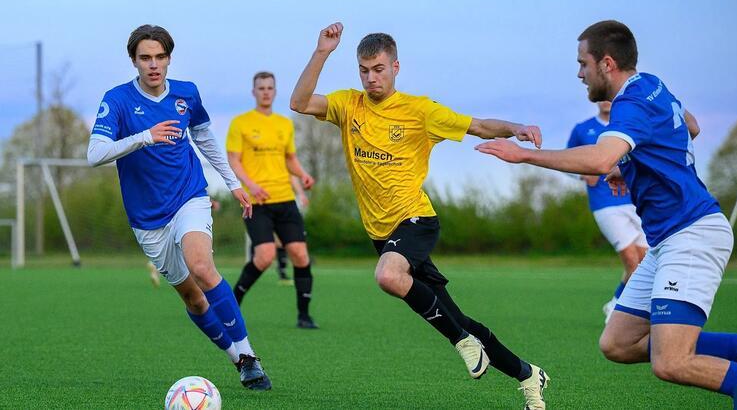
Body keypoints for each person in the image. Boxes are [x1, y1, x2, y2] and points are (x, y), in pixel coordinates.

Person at [476, 19, 737, 405]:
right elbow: (689, 126)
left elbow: (597, 159)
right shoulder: (652, 84)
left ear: (607, 63)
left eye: (583, 63)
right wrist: (626, 164)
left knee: (671, 362)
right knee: (618, 342)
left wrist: (525, 154)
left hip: (692, 234)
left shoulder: (630, 104)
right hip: (668, 240)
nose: (579, 74)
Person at [289, 22, 550, 409]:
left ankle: (462, 344)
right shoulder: (348, 105)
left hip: (415, 219)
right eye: (364, 70)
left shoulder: (419, 110)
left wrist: (516, 128)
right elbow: (299, 102)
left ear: (396, 67)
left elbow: (477, 125)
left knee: (388, 276)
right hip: (381, 233)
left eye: (378, 69)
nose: (371, 78)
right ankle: (528, 375)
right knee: (457, 316)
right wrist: (322, 51)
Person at [87, 24, 271, 390]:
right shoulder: (118, 99)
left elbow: (205, 139)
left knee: (202, 266)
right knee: (193, 298)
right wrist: (144, 137)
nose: (153, 65)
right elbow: (95, 154)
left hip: (190, 196)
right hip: (147, 218)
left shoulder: (187, 94)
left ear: (169, 58)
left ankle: (250, 355)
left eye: (159, 57)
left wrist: (233, 183)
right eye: (145, 58)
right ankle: (237, 360)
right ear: (134, 61)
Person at [227, 71, 318, 329]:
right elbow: (234, 159)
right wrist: (251, 185)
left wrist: (302, 174)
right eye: (261, 87)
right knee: (265, 255)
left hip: (285, 199)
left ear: (275, 91)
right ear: (253, 92)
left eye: (270, 87)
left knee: (300, 255)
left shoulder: (284, 124)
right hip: (257, 202)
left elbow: (289, 158)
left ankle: (304, 315)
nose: (266, 91)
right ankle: (232, 304)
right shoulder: (240, 123)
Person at [566, 101, 648, 322]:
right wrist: (582, 175)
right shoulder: (582, 129)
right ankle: (617, 309)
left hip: (634, 201)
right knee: (632, 261)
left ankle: (620, 305)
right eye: (602, 97)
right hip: (605, 205)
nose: (605, 101)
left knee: (646, 261)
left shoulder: (625, 126)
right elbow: (567, 161)